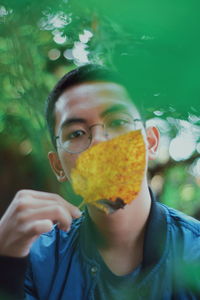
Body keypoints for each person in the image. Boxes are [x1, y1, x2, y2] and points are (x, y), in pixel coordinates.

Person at [0, 64, 199, 300]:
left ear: (151, 143)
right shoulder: (33, 261)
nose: (99, 143)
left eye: (117, 122)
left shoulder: (194, 252)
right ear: (57, 166)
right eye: (76, 133)